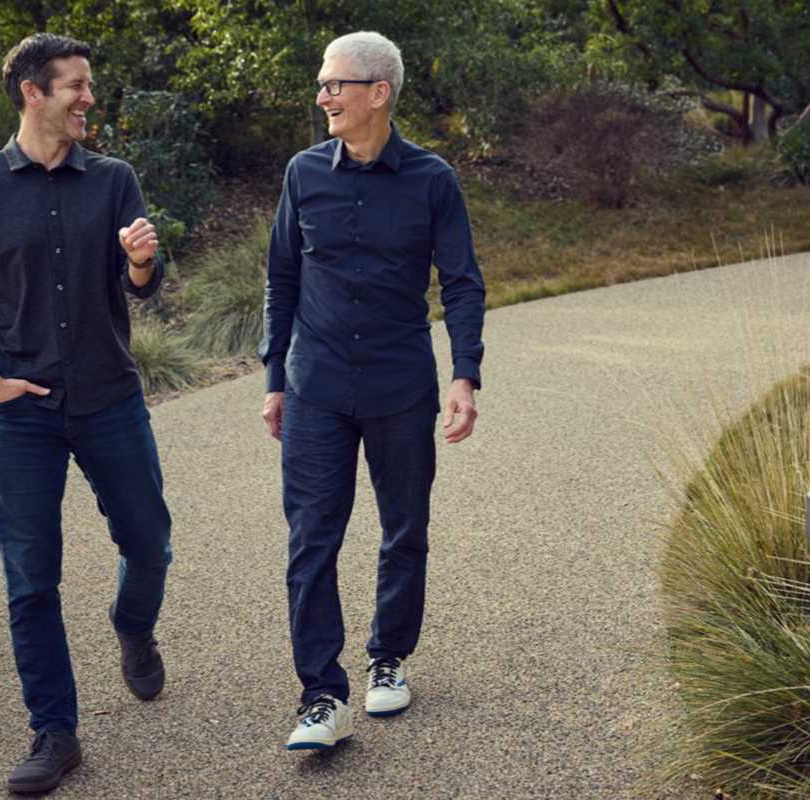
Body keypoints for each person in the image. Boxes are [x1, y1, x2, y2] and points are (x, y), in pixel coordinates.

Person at [0, 32, 173, 794]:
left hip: (109, 397)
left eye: (88, 84)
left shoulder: (114, 180)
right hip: (22, 413)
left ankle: (133, 627)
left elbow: (142, 283)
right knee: (30, 579)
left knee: (150, 543)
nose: (88, 99)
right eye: (74, 85)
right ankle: (55, 731)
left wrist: (141, 259)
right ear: (32, 92)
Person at [259, 30, 486, 751]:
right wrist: (274, 381)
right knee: (311, 541)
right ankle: (320, 697)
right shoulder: (303, 173)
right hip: (316, 386)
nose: (323, 96)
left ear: (378, 93)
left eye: (335, 85)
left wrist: (464, 374)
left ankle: (389, 657)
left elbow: (462, 283)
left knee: (403, 528)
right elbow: (282, 280)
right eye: (322, 85)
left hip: (398, 384)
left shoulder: (431, 179)